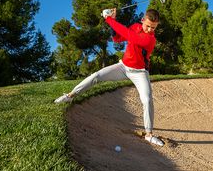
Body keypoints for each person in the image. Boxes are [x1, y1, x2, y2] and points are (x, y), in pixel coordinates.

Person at [54, 8, 164, 146]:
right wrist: (113, 21)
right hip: (123, 67)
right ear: (142, 20)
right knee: (96, 76)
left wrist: (110, 19)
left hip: (140, 72)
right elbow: (118, 38)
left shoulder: (150, 39)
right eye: (148, 26)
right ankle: (69, 97)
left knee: (147, 100)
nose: (149, 29)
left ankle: (149, 134)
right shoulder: (135, 27)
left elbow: (129, 36)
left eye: (153, 27)